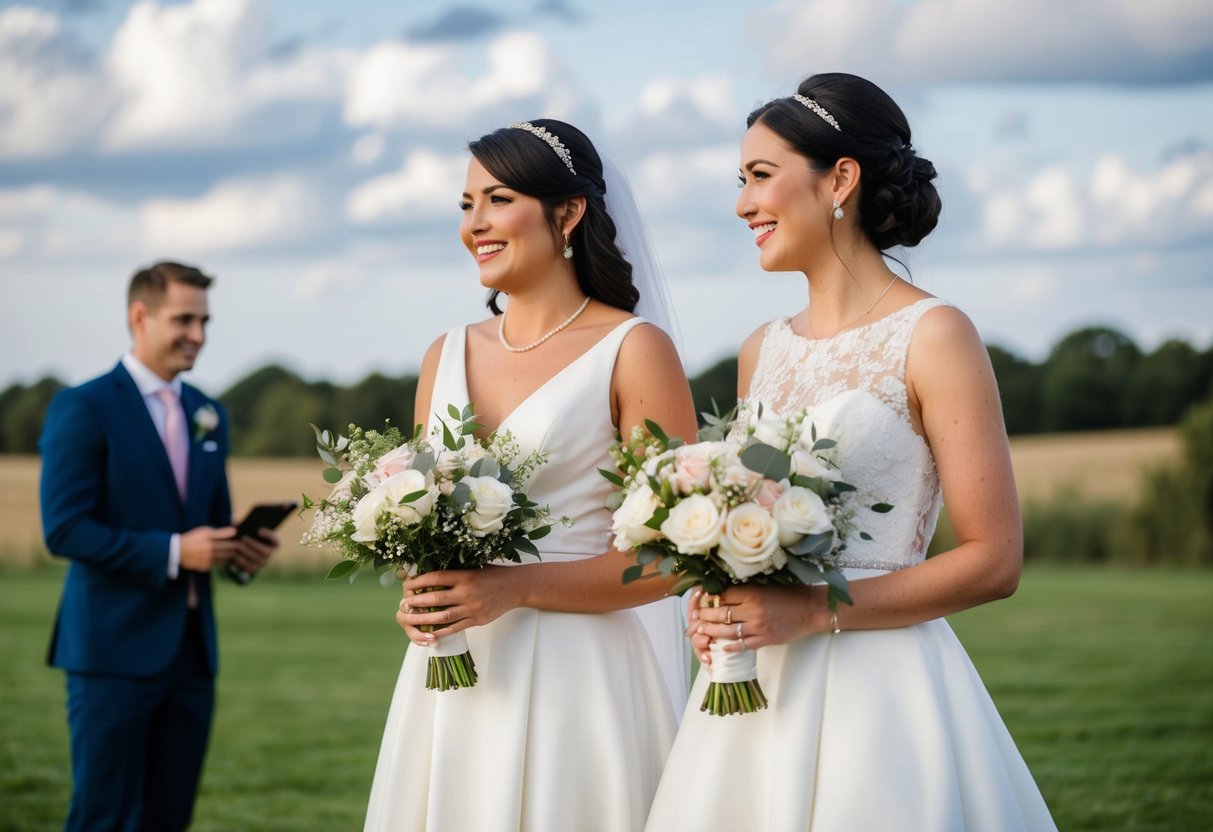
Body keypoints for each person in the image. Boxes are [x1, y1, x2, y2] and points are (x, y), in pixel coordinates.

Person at [645, 74, 1056, 830]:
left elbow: (993, 561)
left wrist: (807, 611)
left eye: (760, 177)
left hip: (884, 693)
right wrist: (715, 593)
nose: (742, 204)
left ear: (840, 178)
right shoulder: (760, 349)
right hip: (751, 693)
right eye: (740, 181)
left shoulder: (935, 334)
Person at [362, 119, 697, 832]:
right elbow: (427, 525)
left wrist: (513, 586)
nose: (474, 223)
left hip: (581, 678)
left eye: (498, 198)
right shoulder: (443, 354)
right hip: (451, 675)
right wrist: (420, 594)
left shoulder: (632, 350)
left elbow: (672, 558)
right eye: (465, 204)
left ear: (568, 212)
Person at [40, 261, 280, 831]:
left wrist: (239, 553)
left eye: (205, 321)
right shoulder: (84, 407)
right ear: (139, 317)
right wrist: (174, 552)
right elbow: (64, 528)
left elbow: (211, 522)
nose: (198, 335)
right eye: (185, 319)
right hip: (111, 653)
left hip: (193, 658)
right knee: (105, 817)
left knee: (170, 820)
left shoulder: (209, 413)